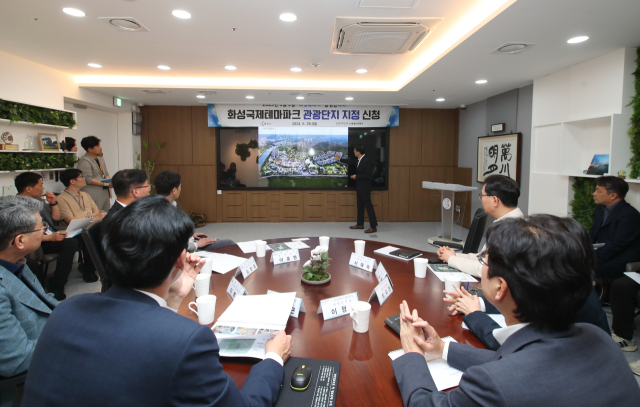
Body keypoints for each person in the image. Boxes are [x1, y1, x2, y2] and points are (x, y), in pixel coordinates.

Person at [21, 196, 292, 406]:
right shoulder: (187, 340)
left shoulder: (68, 309)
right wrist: (272, 358)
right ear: (179, 259)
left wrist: (172, 297)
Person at [393, 215, 640, 406]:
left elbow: (423, 403)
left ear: (500, 288)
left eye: (484, 262)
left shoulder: (494, 384)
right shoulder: (599, 339)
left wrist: (412, 355)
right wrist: (442, 349)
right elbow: (517, 362)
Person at [443, 216, 610, 350]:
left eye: (485, 261)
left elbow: (508, 343)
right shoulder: (566, 284)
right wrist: (478, 302)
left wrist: (474, 313)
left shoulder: (563, 302)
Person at [0, 196, 58, 377]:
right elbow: (17, 360)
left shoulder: (16, 262)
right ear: (20, 241)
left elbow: (44, 301)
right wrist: (70, 338)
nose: (44, 232)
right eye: (42, 228)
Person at [437, 174, 523, 277]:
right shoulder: (511, 221)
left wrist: (451, 259)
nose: (481, 199)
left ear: (495, 200)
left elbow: (485, 269)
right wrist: (454, 255)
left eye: (482, 196)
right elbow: (482, 258)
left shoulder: (509, 230)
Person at [15, 172, 80, 300]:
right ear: (29, 189)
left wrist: (53, 203)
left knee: (79, 237)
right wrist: (48, 238)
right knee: (70, 243)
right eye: (41, 185)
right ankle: (57, 285)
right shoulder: (16, 207)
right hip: (38, 241)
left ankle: (59, 282)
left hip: (50, 235)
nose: (43, 188)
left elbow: (55, 219)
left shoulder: (38, 200)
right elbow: (22, 233)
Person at [154, 170, 235, 250]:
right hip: (188, 251)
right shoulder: (163, 214)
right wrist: (196, 244)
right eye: (180, 187)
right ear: (174, 191)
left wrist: (190, 236)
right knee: (229, 244)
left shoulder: (166, 206)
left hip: (188, 242)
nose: (181, 189)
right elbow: (171, 246)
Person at [55, 169, 105, 283]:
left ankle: (93, 268)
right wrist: (94, 217)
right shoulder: (61, 198)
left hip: (90, 225)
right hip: (75, 230)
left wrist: (95, 216)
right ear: (72, 181)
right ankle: (88, 269)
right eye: (81, 177)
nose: (84, 179)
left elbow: (96, 209)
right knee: (89, 236)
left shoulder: (85, 194)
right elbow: (69, 219)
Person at [590, 176, 640, 281]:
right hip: (601, 254)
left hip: (619, 258)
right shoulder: (601, 209)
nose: (594, 194)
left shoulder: (630, 215)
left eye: (598, 191)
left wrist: (592, 258)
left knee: (580, 267)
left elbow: (617, 245)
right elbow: (593, 233)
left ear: (613, 195)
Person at [335, 145, 377, 233]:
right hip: (360, 187)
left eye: (354, 151)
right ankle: (360, 224)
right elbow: (350, 161)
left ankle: (373, 227)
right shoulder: (359, 160)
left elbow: (369, 175)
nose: (354, 152)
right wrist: (339, 159)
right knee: (360, 206)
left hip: (365, 187)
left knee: (368, 206)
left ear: (358, 152)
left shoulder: (367, 160)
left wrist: (356, 176)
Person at [77, 136, 111, 211]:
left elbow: (106, 174)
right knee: (96, 218)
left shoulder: (100, 159)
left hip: (105, 192)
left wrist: (109, 180)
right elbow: (88, 179)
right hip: (93, 194)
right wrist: (106, 184)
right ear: (89, 149)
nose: (100, 147)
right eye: (98, 146)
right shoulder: (84, 161)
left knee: (106, 215)